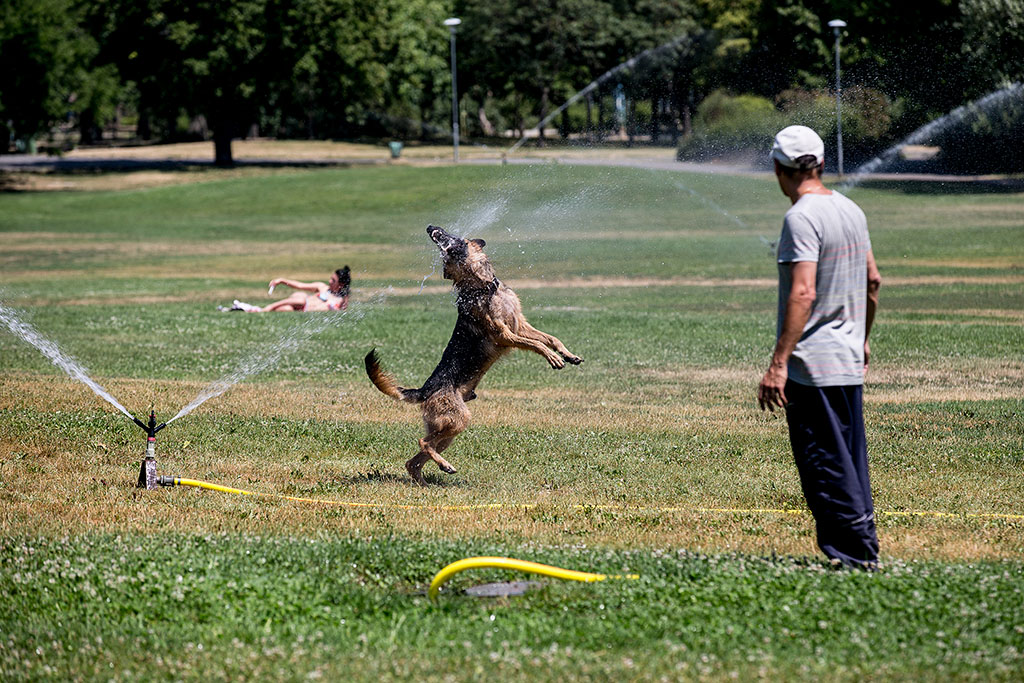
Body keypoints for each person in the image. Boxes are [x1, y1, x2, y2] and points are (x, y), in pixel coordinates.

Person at [757, 125, 882, 569]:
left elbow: (804, 293)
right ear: (821, 163)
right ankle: (862, 544)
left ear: (779, 168)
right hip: (848, 359)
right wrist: (862, 339)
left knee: (824, 461)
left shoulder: (801, 217)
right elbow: (873, 281)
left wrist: (778, 364)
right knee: (849, 457)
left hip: (814, 365)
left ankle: (853, 555)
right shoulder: (851, 209)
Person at [222, 266, 351, 312]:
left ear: (341, 284)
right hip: (300, 302)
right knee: (300, 297)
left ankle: (248, 309)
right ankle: (267, 308)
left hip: (301, 309)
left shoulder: (340, 300)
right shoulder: (322, 287)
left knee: (286, 309)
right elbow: (300, 285)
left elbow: (340, 312)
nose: (329, 281)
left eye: (333, 280)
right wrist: (282, 281)